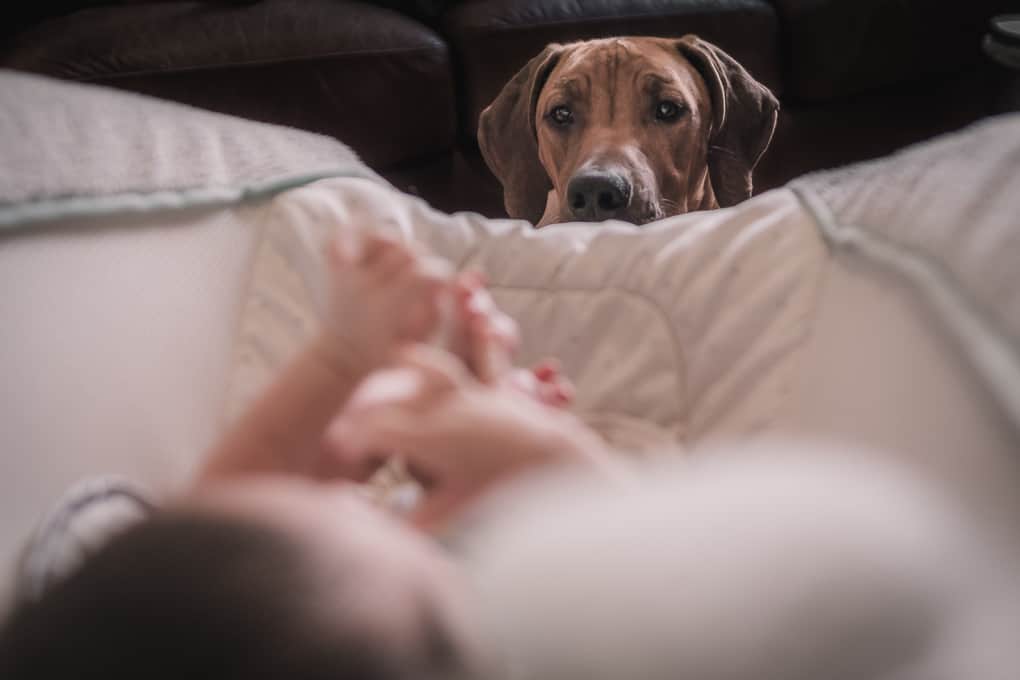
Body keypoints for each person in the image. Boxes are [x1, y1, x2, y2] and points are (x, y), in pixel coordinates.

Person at [0, 231, 622, 680]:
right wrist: (566, 471)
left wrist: (341, 357)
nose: (352, 488)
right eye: (409, 525)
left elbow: (219, 512)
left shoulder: (96, 633)